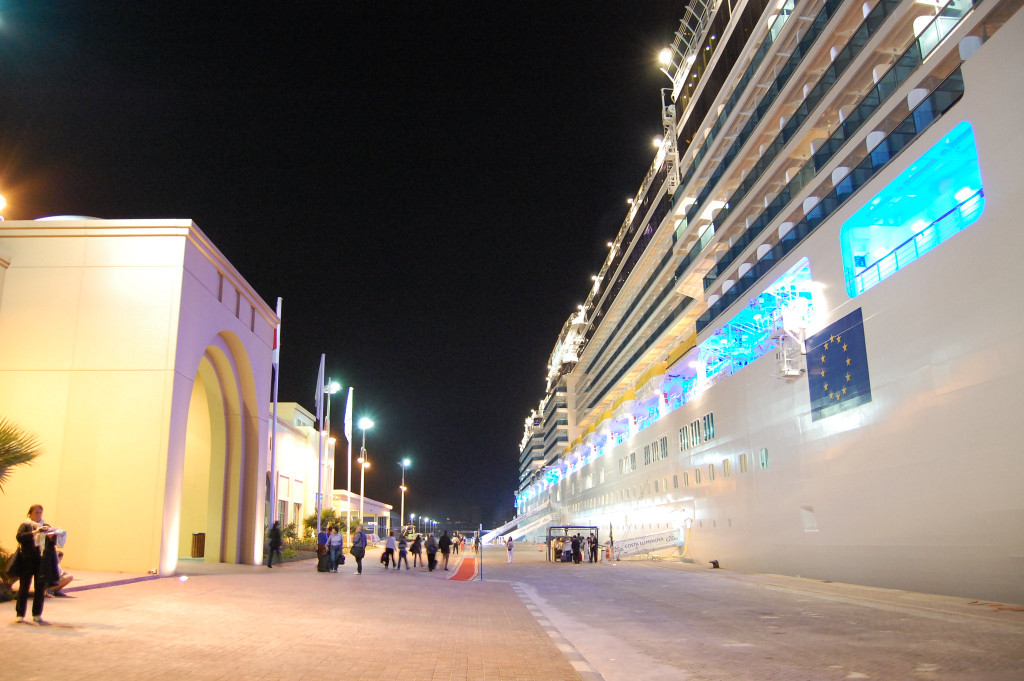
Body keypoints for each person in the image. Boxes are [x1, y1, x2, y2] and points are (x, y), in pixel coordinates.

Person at [14, 504, 50, 623]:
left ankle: (37, 614)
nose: (38, 515)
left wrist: (53, 536)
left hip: (40, 560)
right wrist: (35, 532)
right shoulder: (26, 525)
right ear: (30, 513)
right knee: (24, 587)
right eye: (36, 512)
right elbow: (19, 537)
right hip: (27, 560)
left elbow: (51, 543)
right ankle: (20, 614)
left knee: (39, 588)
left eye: (40, 512)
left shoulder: (45, 526)